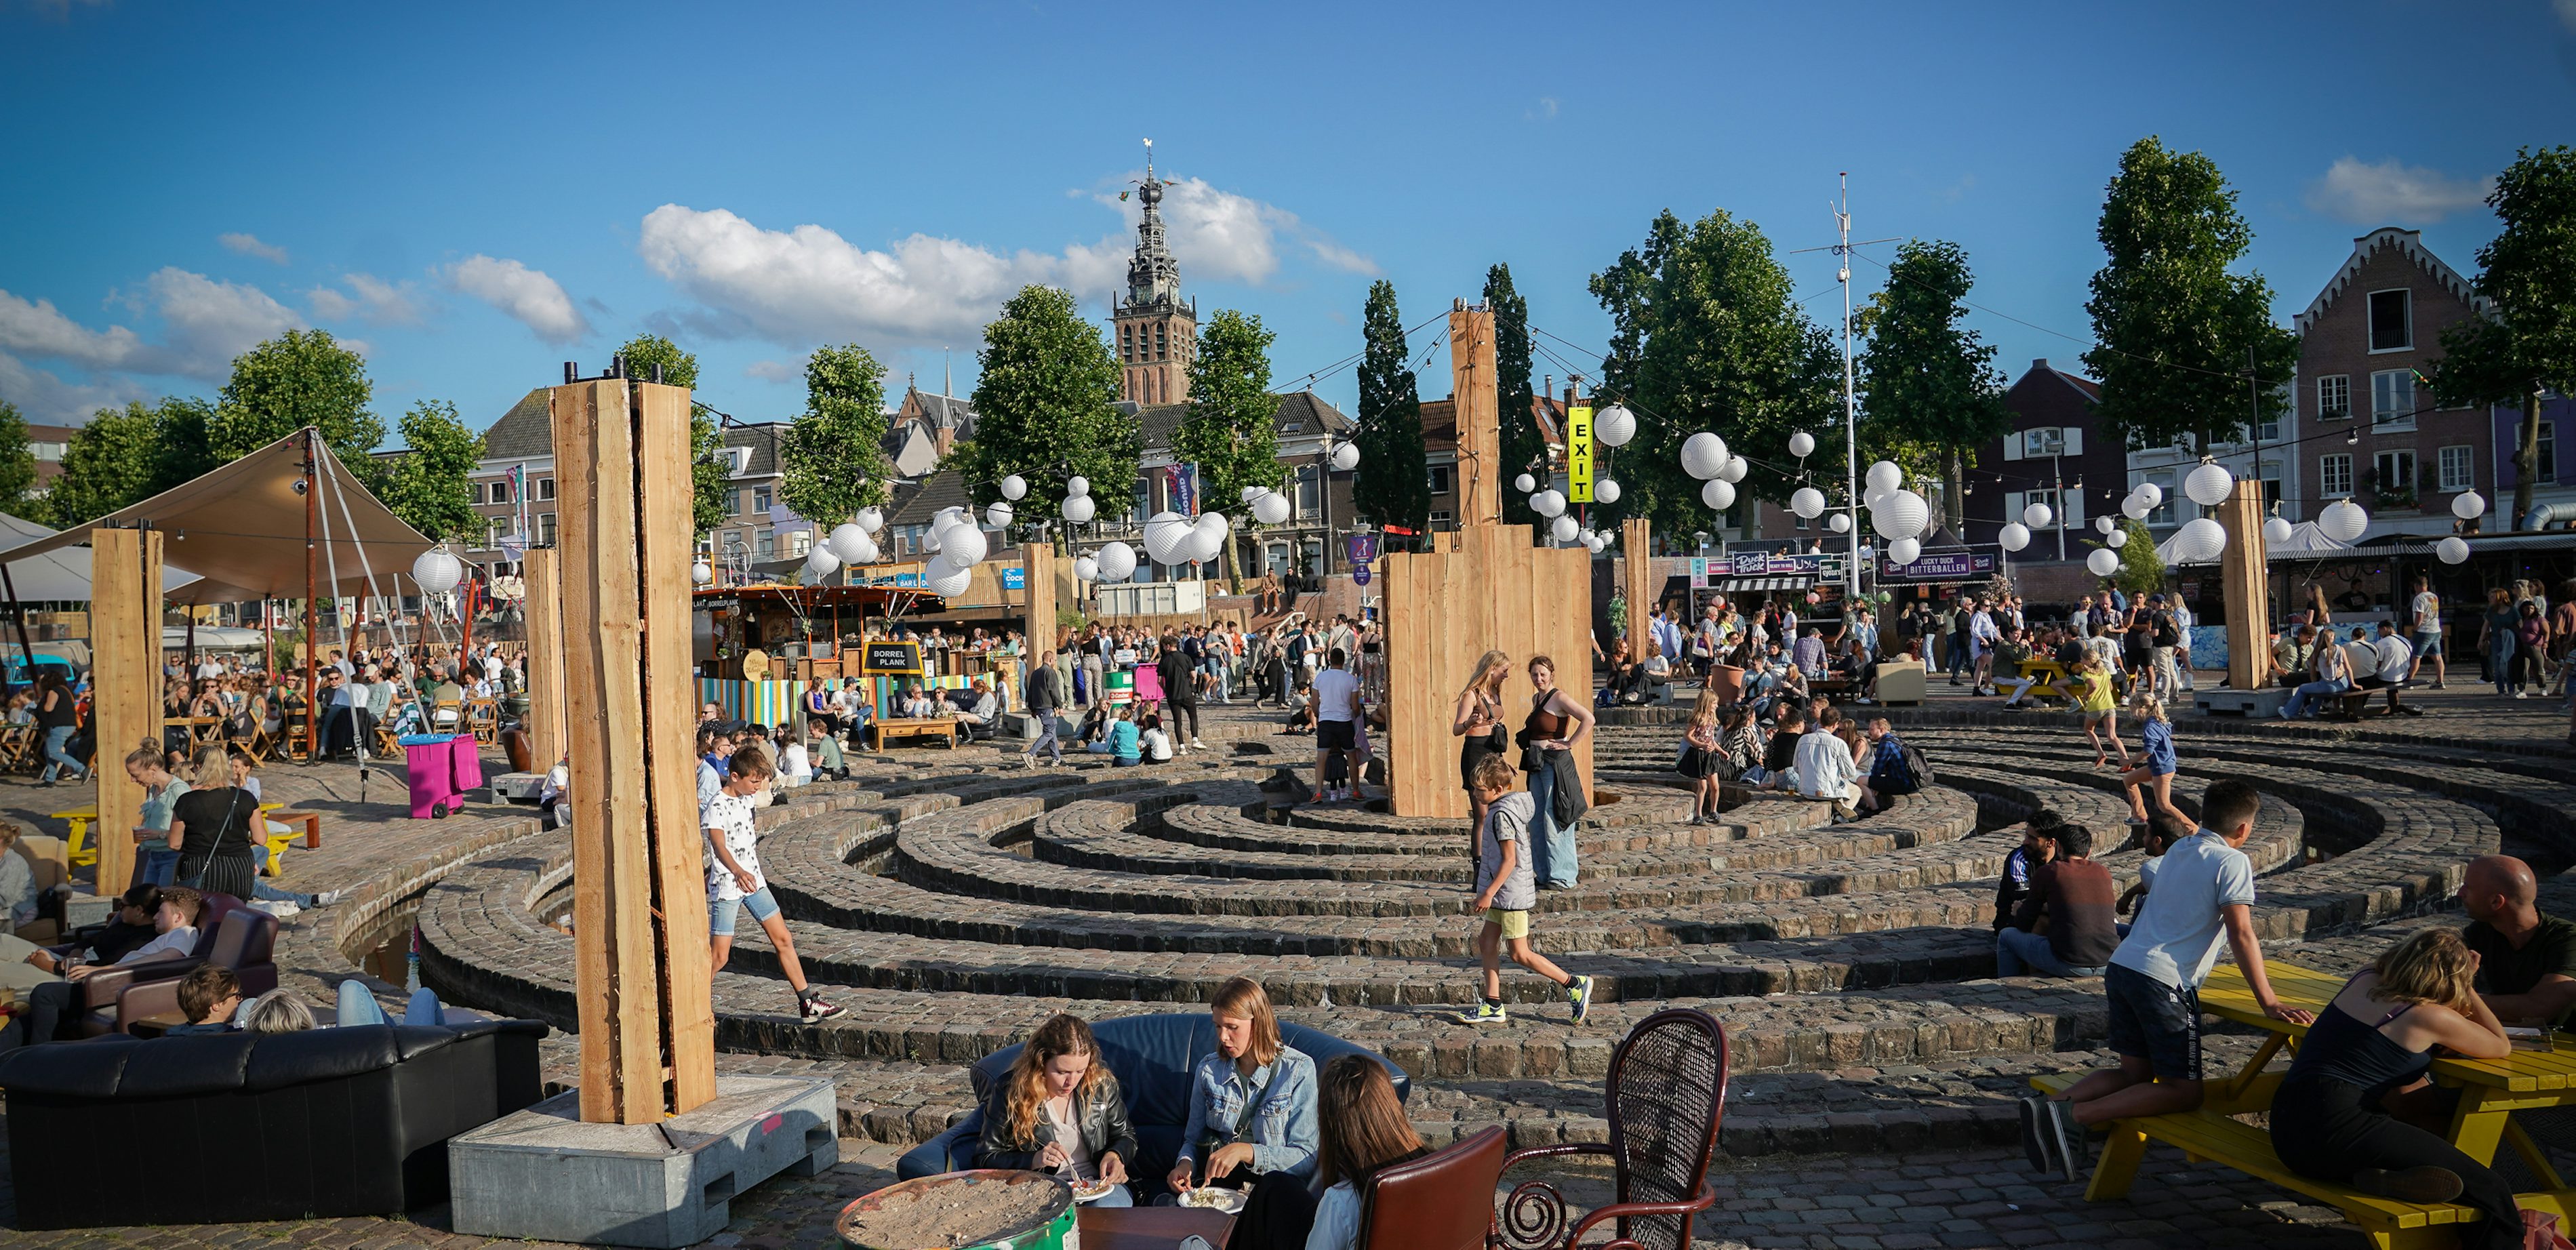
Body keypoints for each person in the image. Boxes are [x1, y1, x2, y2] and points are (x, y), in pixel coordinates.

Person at [2022, 780, 2310, 1180]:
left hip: (2124, 967)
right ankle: (2076, 1116)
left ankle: (2050, 1107)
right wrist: (2269, 1003)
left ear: (2204, 815)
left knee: (2133, 1074)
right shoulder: (2232, 862)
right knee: (2184, 1091)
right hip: (2163, 981)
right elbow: (2242, 932)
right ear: (2244, 830)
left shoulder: (2180, 850)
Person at [2265, 929, 2520, 1247]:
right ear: (2451, 978)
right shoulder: (2427, 1017)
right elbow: (2500, 1045)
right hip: (2336, 1126)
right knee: (2490, 1189)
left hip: (2287, 1130)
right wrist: (2469, 983)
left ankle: (2378, 1177)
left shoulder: (2364, 979)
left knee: (2432, 1138)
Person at [702, 746, 843, 1024]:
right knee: (719, 956)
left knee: (783, 939)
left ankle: (808, 1003)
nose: (758, 787)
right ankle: (689, 1005)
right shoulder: (716, 805)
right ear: (734, 776)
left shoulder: (747, 800)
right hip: (730, 886)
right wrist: (736, 870)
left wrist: (747, 872)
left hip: (755, 882)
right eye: (754, 781)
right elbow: (718, 845)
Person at [1456, 754, 1594, 1026]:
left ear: (1497, 790)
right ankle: (1493, 1004)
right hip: (1503, 894)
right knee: (1486, 942)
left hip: (1509, 895)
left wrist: (1488, 892)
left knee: (1520, 953)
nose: (1474, 793)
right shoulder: (1501, 809)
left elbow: (1510, 860)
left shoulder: (1502, 816)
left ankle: (1574, 983)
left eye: (1479, 789)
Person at [1166, 978, 1318, 1212]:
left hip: (1272, 1192)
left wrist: (1246, 1152)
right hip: (1220, 1193)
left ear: (1257, 1023)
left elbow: (1305, 1158)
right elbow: (1192, 1141)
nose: (1223, 1037)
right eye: (1218, 1026)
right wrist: (1185, 1165)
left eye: (1232, 1027)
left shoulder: (1298, 1070)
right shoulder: (1209, 1070)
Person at [972, 1013, 1138, 1206]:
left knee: (1106, 1213)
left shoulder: (1099, 1083)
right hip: (1041, 1189)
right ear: (1041, 1062)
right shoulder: (1011, 1090)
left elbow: (1126, 1135)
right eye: (1061, 1072)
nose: (1072, 1081)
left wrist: (1115, 1155)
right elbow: (985, 1158)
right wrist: (1034, 1160)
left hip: (1099, 1187)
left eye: (1080, 1071)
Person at [13, 887, 203, 1045]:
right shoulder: (166, 936)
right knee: (25, 1022)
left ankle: (39, 1059)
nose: (155, 917)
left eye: (161, 913)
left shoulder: (184, 934)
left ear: (178, 917)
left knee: (45, 994)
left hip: (113, 986)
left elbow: (169, 957)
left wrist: (104, 970)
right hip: (107, 982)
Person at [1285, 1055, 1430, 1250]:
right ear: (1390, 1107)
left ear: (1332, 1127)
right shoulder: (1437, 1167)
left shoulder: (1342, 1202)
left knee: (1274, 1193)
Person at [2455, 854, 2576, 1030]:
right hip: (2518, 1038)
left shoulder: (2567, 940)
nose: (2460, 893)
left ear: (2496, 901)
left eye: (2468, 887)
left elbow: (2537, 1009)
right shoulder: (2484, 930)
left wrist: (2457, 999)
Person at [1996, 823, 2118, 979]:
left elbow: (2024, 922)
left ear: (2059, 848)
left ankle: (2007, 985)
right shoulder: (2103, 872)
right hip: (2109, 961)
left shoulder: (2051, 871)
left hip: (2071, 964)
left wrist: (2018, 911)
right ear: (2088, 852)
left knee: (2006, 937)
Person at [1516, 656, 1592, 889]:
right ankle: (1544, 873)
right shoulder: (1536, 698)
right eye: (1534, 674)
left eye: (1543, 674)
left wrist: (1570, 743)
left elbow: (1588, 718)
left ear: (1551, 674)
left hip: (1555, 763)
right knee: (1537, 819)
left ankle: (1563, 876)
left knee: (1554, 816)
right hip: (1536, 763)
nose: (1538, 679)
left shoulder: (1559, 697)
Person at [168, 746, 259, 899]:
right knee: (236, 916)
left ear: (198, 767)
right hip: (240, 866)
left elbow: (174, 844)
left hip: (200, 865)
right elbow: (261, 838)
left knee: (203, 915)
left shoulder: (187, 800)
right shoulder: (245, 797)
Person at [1452, 651, 1511, 864]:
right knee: (1482, 815)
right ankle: (1479, 865)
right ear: (1492, 668)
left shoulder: (1495, 692)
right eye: (1504, 671)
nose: (1506, 676)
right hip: (1475, 753)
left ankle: (1495, 859)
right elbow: (1457, 729)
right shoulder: (1472, 695)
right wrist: (1470, 722)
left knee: (1496, 813)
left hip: (1493, 754)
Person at [125, 741, 191, 888]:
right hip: (153, 854)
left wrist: (159, 834)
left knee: (164, 900)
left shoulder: (178, 791)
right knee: (148, 900)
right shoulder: (154, 789)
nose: (133, 780)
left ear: (152, 770)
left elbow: (191, 829)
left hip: (172, 856)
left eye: (135, 775)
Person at [2120, 695, 2184, 828]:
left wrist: (2129, 761)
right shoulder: (2158, 721)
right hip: (2157, 765)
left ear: (2142, 709)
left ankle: (2191, 828)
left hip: (2162, 768)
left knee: (2164, 805)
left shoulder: (2150, 726)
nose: (2132, 715)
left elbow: (2148, 751)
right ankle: (2140, 816)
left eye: (2133, 711)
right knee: (2129, 780)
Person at [1310, 649, 1363, 804]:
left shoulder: (1320, 678)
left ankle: (1318, 793)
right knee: (1351, 756)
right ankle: (1355, 790)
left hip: (1326, 721)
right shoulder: (1351, 680)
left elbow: (1314, 703)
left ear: (1330, 659)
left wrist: (1320, 715)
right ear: (1343, 661)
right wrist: (1358, 715)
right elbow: (1355, 706)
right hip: (1344, 722)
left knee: (1321, 759)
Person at [1793, 706, 1859, 820]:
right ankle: (1841, 816)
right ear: (1836, 724)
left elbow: (1795, 767)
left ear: (1820, 721)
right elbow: (1851, 771)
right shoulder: (1838, 743)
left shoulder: (1803, 739)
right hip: (1828, 791)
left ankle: (1838, 807)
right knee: (1857, 791)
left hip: (1806, 790)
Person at [2281, 621, 2355, 720]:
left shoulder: (2315, 654)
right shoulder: (2339, 648)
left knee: (2303, 688)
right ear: (2331, 639)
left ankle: (2289, 712)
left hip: (2329, 686)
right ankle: (2311, 711)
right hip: (2343, 684)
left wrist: (2314, 684)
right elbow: (2348, 667)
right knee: (2320, 686)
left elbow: (2312, 674)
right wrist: (2353, 683)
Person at [1675, 687, 1725, 826]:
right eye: (1714, 703)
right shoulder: (1698, 718)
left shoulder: (1711, 719)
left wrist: (1721, 751)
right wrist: (1701, 745)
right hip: (1698, 755)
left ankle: (1713, 811)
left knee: (1715, 786)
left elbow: (1711, 739)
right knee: (1702, 786)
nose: (1716, 706)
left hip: (1710, 756)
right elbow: (1688, 736)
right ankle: (1698, 814)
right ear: (1707, 703)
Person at [165, 964, 243, 1036]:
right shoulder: (237, 1037)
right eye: (237, 995)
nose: (240, 1000)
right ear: (216, 1005)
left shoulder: (173, 1035)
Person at [33, 670, 82, 785]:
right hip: (69, 725)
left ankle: (82, 768)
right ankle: (50, 779)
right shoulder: (66, 690)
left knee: (53, 752)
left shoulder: (54, 691)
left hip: (59, 725)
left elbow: (48, 708)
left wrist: (40, 703)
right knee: (48, 751)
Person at [1156, 636, 1203, 751]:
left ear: (1168, 646)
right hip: (1186, 692)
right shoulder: (1186, 657)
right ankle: (1195, 740)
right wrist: (1193, 686)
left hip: (1173, 694)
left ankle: (1181, 747)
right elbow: (1193, 675)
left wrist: (1166, 690)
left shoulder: (1164, 660)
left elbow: (1159, 680)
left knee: (1178, 721)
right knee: (1193, 716)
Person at [1023, 649, 1065, 768]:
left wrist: (1032, 708)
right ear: (1051, 660)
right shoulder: (1050, 672)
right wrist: (1060, 706)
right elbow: (1054, 691)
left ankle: (1056, 758)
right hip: (1047, 707)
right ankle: (1030, 754)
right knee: (1049, 732)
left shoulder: (1035, 673)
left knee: (1052, 732)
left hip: (1039, 706)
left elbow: (1030, 691)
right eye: (1054, 660)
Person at [2404, 576, 2447, 689]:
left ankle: (2410, 681)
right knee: (2437, 657)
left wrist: (2415, 628)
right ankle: (2440, 681)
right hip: (2436, 630)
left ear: (2417, 586)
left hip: (2423, 631)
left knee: (2416, 656)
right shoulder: (2434, 597)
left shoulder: (2419, 598)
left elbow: (2419, 616)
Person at [2480, 587, 2520, 698]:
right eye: (2490, 596)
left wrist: (2509, 630)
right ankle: (2501, 690)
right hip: (2496, 639)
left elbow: (2519, 624)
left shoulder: (2512, 610)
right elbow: (2486, 625)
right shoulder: (2491, 611)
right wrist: (2481, 639)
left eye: (2492, 596)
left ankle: (2512, 689)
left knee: (2509, 665)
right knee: (2497, 667)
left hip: (2509, 640)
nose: (2490, 598)